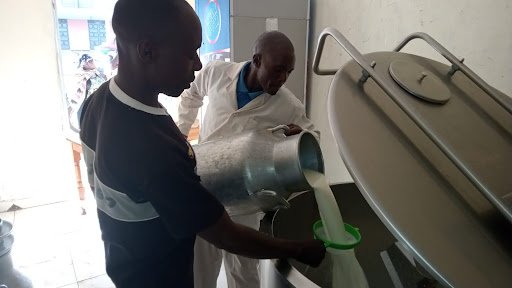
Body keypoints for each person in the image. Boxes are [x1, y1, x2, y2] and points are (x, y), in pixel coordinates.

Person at [78, 1, 325, 287]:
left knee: (243, 275)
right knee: (203, 270)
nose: (197, 64)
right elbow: (224, 234)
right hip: (162, 272)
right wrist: (296, 249)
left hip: (129, 261)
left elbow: (106, 186)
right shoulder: (159, 152)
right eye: (190, 52)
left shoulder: (96, 103)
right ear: (147, 51)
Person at [177, 31, 319, 288]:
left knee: (244, 273)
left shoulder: (288, 105)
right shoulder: (216, 73)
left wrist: (302, 136)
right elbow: (192, 94)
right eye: (277, 70)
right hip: (204, 187)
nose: (283, 79)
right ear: (256, 60)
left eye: (289, 71)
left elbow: (313, 136)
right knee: (200, 270)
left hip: (244, 198)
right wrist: (181, 133)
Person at [68, 54, 107, 132]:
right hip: (86, 105)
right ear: (85, 63)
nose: (93, 62)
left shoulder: (99, 73)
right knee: (87, 128)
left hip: (99, 104)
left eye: (92, 60)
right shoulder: (80, 75)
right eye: (90, 61)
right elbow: (76, 93)